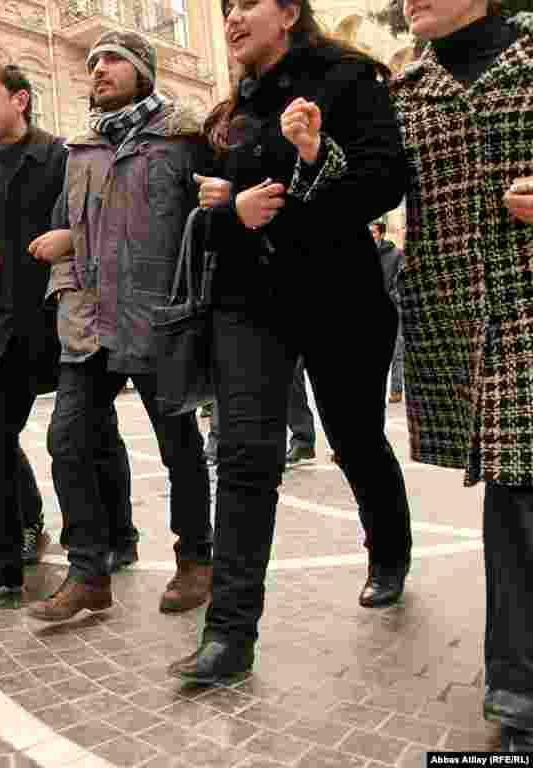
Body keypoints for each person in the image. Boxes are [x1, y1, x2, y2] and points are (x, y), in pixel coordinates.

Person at [167, 0, 413, 684]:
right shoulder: (231, 108)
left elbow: (384, 182)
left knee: (356, 440)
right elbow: (209, 220)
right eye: (225, 10)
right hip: (251, 302)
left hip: (340, 297)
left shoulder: (347, 77)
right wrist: (230, 212)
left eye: (246, 4)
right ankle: (230, 637)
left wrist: (313, 159)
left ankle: (388, 551)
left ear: (288, 12)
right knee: (245, 457)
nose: (232, 19)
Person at [24, 32, 215, 621]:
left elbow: (202, 230)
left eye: (113, 60)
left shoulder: (182, 138)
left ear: (143, 70)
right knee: (68, 439)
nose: (99, 70)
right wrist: (64, 288)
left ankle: (196, 559)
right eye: (94, 62)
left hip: (157, 318)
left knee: (178, 444)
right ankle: (88, 571)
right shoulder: (81, 147)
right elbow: (66, 229)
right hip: (88, 322)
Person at [389, 1, 533, 749]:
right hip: (460, 317)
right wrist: (315, 153)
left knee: (518, 492)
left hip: (528, 304)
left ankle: (518, 697)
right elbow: (369, 191)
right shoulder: (406, 91)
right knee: (516, 489)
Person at [0, 63, 81, 605]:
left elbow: (99, 224)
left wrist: (70, 238)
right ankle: (2, 561)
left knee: (82, 441)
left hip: (66, 319)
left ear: (21, 100)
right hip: (7, 328)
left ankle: (107, 542)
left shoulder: (62, 158)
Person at [371, 221, 404, 404]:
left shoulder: (396, 254)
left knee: (397, 351)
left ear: (381, 234)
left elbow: (401, 279)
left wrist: (393, 295)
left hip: (392, 307)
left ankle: (396, 390)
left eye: (374, 232)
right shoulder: (365, 252)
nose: (371, 235)